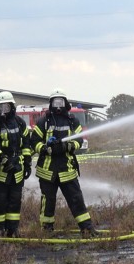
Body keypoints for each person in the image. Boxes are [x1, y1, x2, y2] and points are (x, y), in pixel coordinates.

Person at [30, 88, 98, 237]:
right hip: (47, 170)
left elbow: (79, 140)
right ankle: (46, 230)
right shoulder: (43, 121)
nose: (58, 105)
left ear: (65, 103)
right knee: (48, 202)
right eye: (55, 102)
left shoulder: (73, 121)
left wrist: (69, 146)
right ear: (51, 104)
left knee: (76, 199)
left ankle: (87, 228)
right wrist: (45, 148)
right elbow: (34, 142)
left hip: (67, 168)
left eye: (60, 102)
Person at [0, 91, 32, 237]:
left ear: (12, 106)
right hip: (0, 172)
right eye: (1, 107)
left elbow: (26, 144)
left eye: (6, 106)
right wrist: (2, 159)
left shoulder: (20, 123)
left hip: (17, 170)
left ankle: (13, 230)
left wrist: (27, 163)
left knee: (15, 202)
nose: (4, 110)